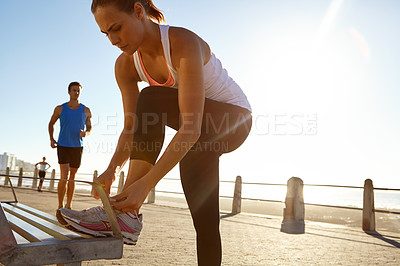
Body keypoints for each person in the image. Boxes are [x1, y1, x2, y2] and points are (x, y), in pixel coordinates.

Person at [60, 1, 252, 265]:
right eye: (106, 33)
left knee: (150, 98)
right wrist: (112, 168)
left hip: (234, 121)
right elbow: (132, 127)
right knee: (204, 218)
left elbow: (190, 128)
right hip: (197, 133)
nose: (113, 40)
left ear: (139, 12)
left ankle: (126, 213)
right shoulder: (125, 66)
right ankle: (127, 213)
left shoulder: (182, 43)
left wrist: (146, 184)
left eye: (117, 28)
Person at [48, 81, 92, 223]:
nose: (76, 92)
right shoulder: (60, 108)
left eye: (78, 90)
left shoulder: (86, 110)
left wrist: (86, 133)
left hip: (77, 146)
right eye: (74, 90)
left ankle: (69, 205)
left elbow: (90, 127)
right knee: (64, 175)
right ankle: (60, 206)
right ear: (69, 92)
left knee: (72, 176)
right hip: (63, 145)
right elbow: (51, 123)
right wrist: (51, 139)